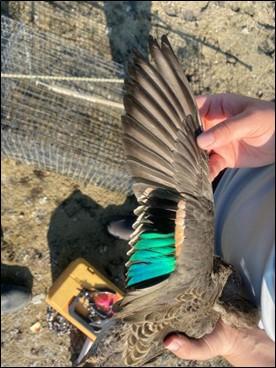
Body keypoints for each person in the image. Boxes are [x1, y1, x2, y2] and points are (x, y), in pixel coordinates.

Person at [108, 93, 275, 367]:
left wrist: (237, 343)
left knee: (174, 210)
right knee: (173, 208)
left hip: (201, 240)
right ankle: (155, 227)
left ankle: (156, 229)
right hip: (233, 167)